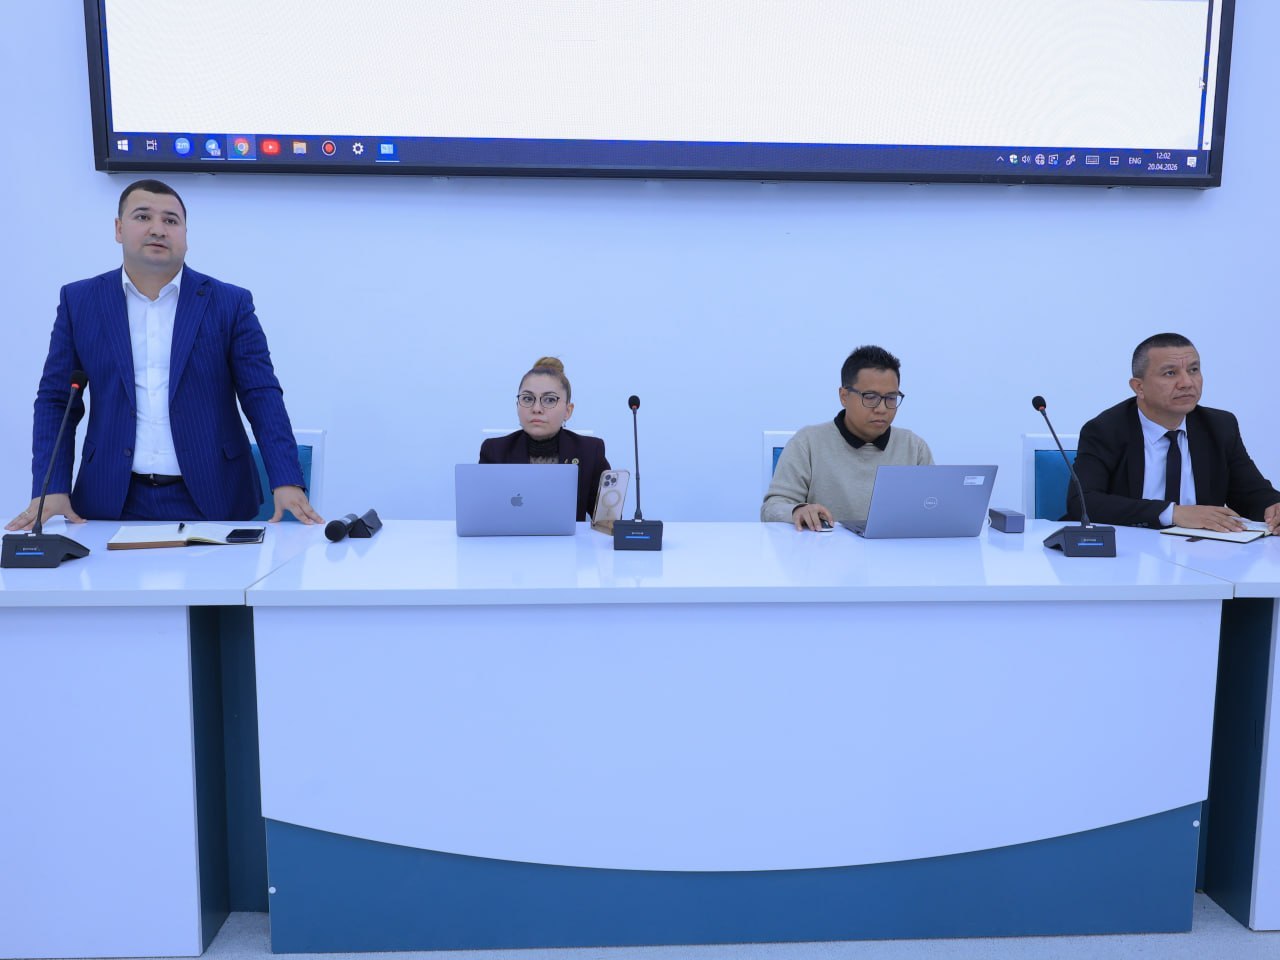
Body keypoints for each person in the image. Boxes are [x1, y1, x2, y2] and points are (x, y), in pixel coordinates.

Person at [6, 179, 321, 530]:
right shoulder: (80, 302)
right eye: (143, 217)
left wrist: (286, 479)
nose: (158, 229)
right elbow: (56, 400)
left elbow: (261, 395)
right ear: (119, 229)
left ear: (185, 235)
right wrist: (52, 487)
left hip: (215, 497)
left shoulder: (229, 303)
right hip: (110, 499)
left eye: (171, 220)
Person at [1069, 333, 1280, 533]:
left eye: (1193, 370)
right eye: (1170, 373)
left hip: (1203, 550)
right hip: (1130, 548)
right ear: (1139, 387)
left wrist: (1273, 508)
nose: (1187, 383)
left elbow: (1251, 493)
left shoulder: (1219, 426)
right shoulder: (1106, 430)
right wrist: (1173, 513)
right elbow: (1082, 503)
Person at [762, 345, 933, 531]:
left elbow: (934, 507)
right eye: (870, 397)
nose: (882, 408)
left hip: (894, 548)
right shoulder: (808, 443)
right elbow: (771, 508)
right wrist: (797, 511)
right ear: (844, 396)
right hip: (825, 548)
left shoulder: (914, 447)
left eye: (891, 398)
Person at [479, 357, 610, 522]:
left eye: (549, 400)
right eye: (528, 399)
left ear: (568, 411)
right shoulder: (495, 451)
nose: (536, 409)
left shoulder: (590, 451)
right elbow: (483, 516)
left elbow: (607, 522)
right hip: (512, 538)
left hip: (568, 539)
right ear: (517, 405)